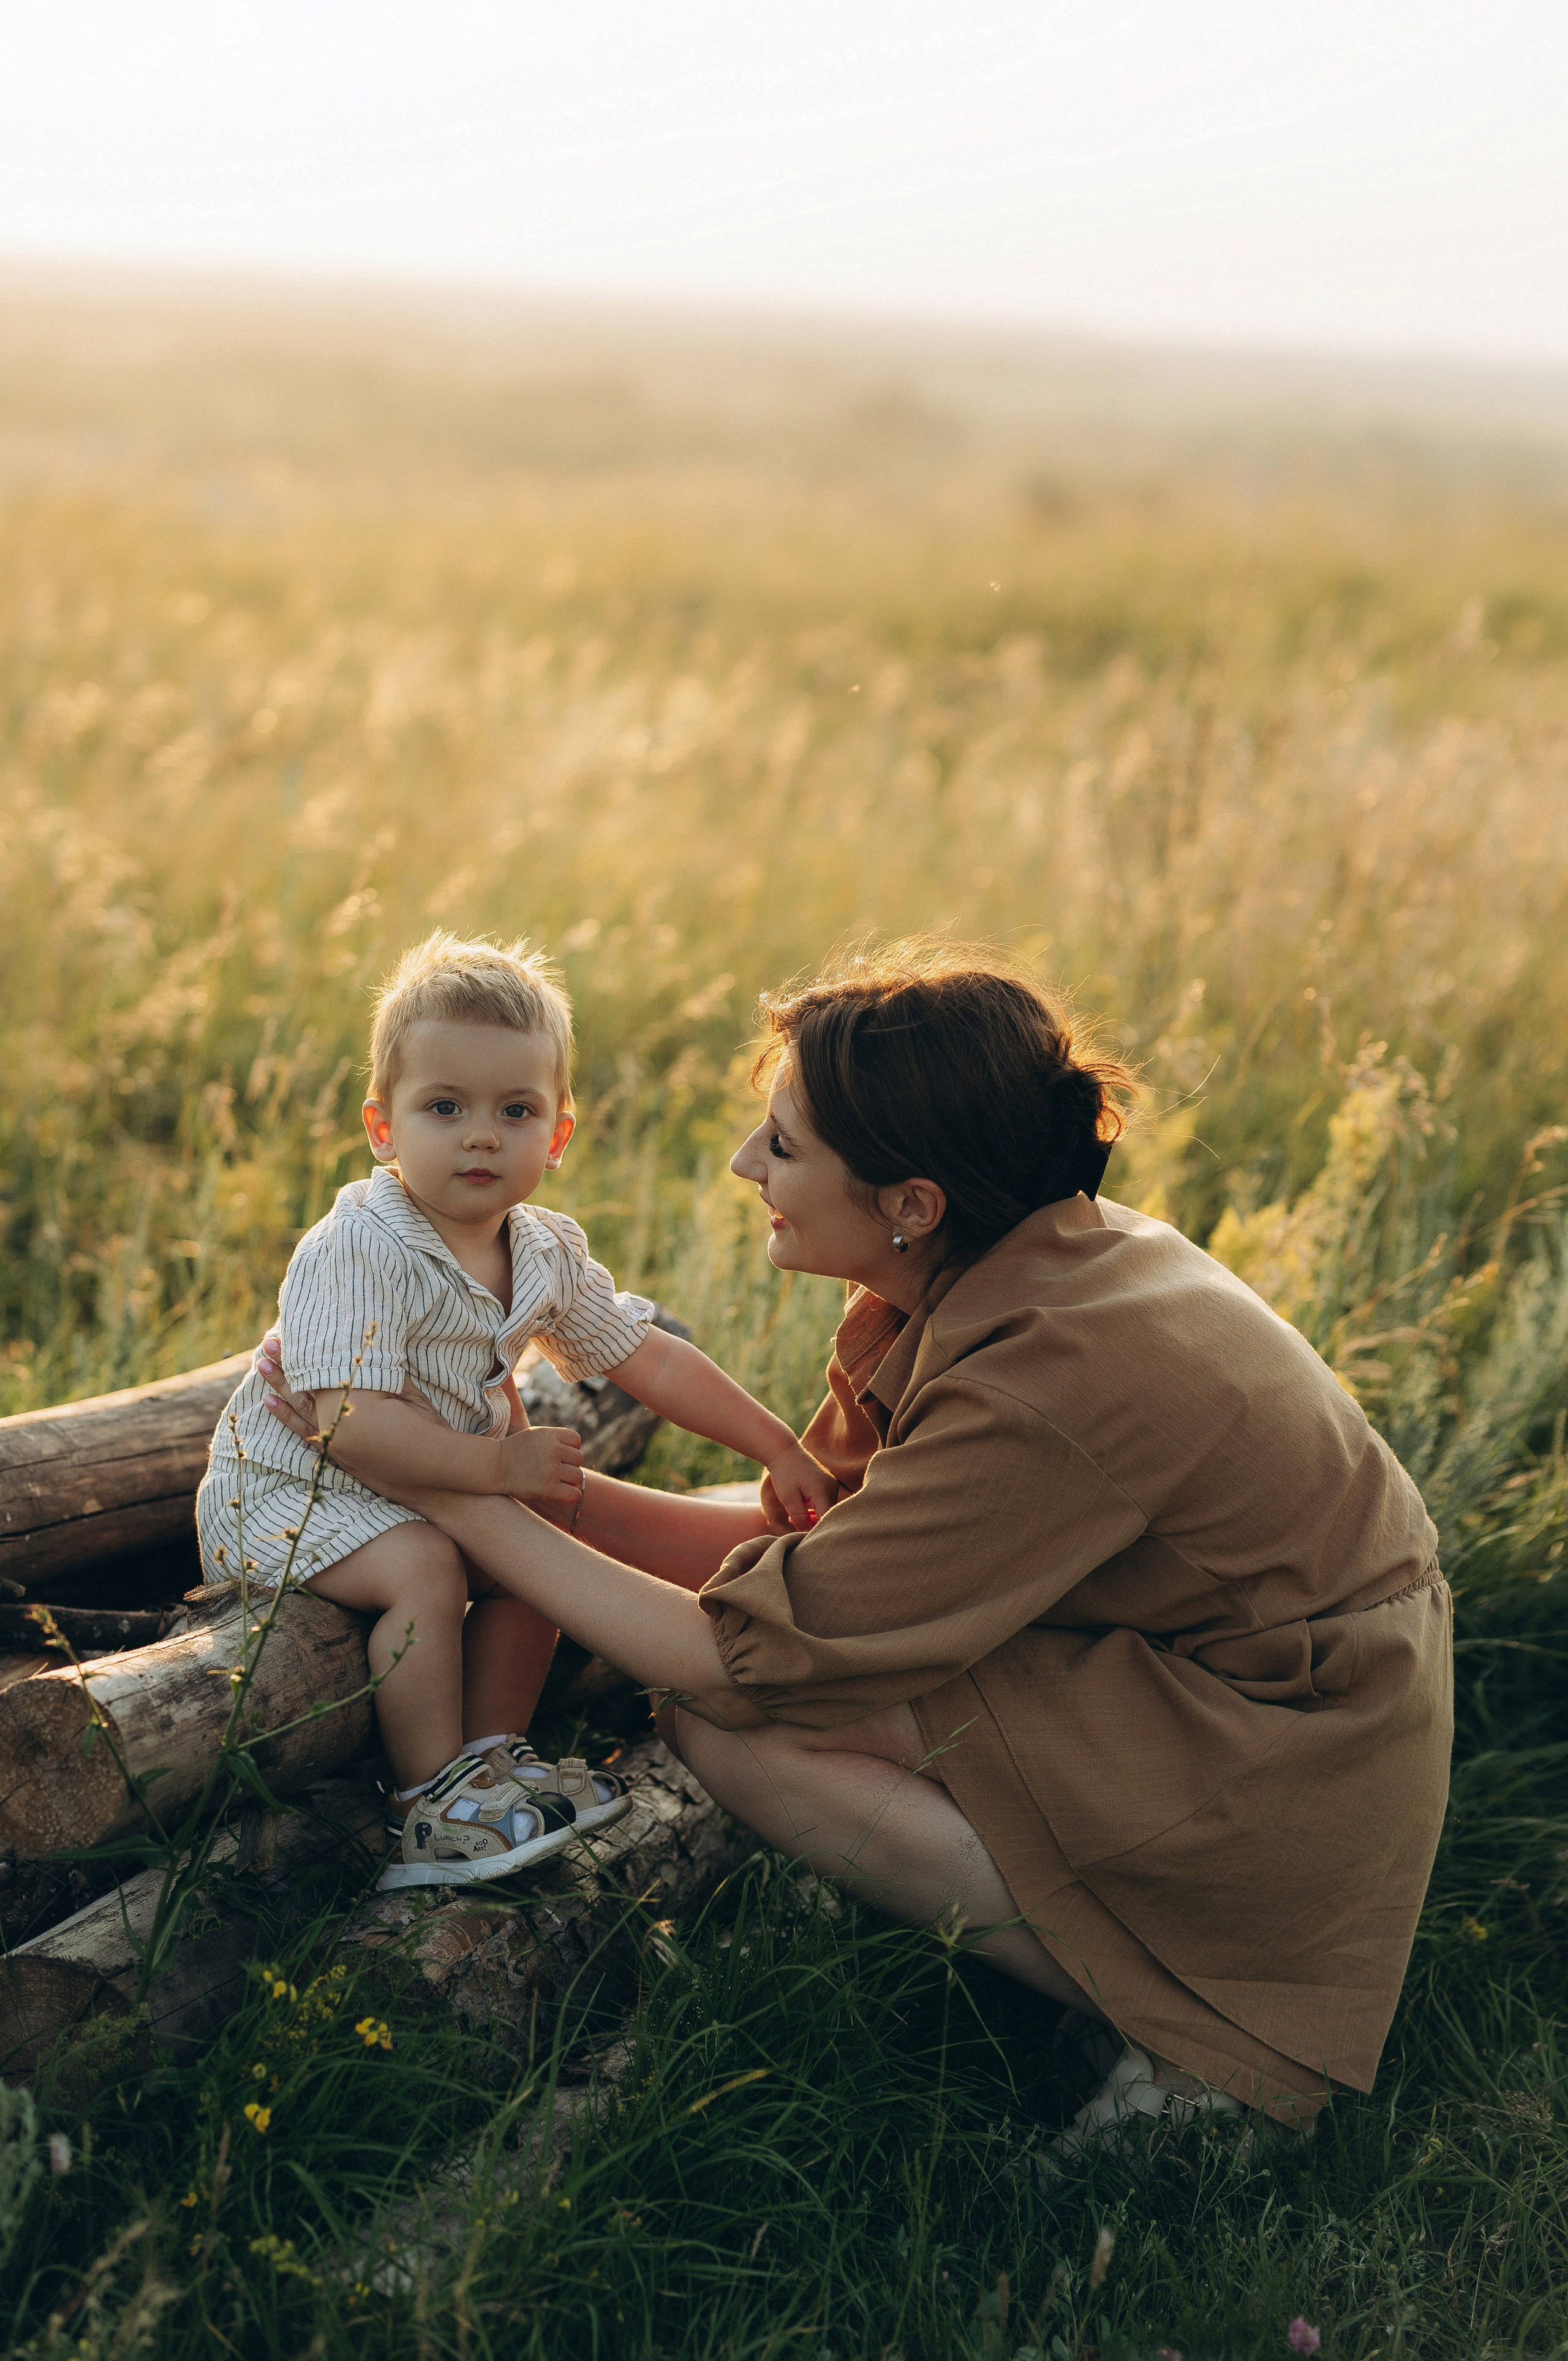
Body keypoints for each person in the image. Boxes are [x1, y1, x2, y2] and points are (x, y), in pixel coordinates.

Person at [260, 941, 1452, 2148]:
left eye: (779, 1143)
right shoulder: (1000, 1253)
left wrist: (453, 1495)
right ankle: (1113, 1953)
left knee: (724, 1719)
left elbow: (741, 1657)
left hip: (1285, 1756)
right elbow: (820, 1546)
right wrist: (555, 1507)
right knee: (757, 1619)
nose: (742, 1164)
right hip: (1187, 1675)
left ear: (908, 1202)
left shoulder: (1043, 1376)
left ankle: (1192, 2035)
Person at [202, 931, 834, 1890]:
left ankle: (492, 1762)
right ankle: (429, 1809)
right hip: (293, 1495)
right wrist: (498, 1468)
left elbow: (645, 1354)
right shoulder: (357, 1245)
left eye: (515, 1109)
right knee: (428, 1563)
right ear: (383, 1126)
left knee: (528, 1560)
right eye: (444, 1107)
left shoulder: (538, 1249)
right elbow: (347, 1422)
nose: (481, 1135)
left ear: (558, 1134)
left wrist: (773, 1439)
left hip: (421, 1488)